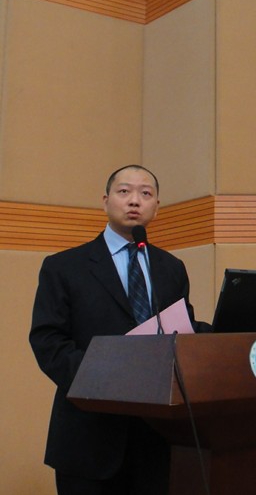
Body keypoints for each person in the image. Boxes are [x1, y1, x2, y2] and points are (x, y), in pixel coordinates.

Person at [29, 165, 211, 495]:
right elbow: (48, 340)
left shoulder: (171, 268)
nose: (134, 201)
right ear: (105, 201)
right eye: (124, 191)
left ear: (157, 206)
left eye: (146, 193)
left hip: (155, 437)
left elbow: (180, 329)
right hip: (88, 435)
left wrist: (229, 331)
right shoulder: (64, 266)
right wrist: (105, 376)